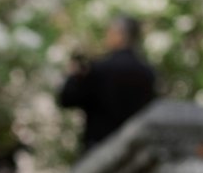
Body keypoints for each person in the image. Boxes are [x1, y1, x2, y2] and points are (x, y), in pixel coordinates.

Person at [57, 15, 156, 154]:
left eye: (109, 32)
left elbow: (66, 98)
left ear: (119, 35)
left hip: (100, 148)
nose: (106, 37)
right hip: (134, 150)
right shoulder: (148, 73)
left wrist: (74, 76)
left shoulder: (100, 69)